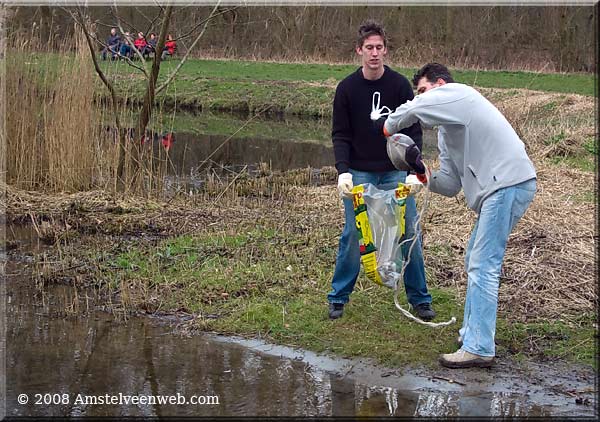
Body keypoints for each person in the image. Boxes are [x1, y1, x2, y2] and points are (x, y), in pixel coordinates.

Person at [380, 63, 537, 368]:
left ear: (441, 85)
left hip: (507, 183)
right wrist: (422, 172)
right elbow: (450, 184)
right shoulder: (447, 132)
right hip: (501, 188)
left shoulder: (461, 95)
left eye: (424, 90)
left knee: (483, 264)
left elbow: (416, 108)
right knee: (474, 260)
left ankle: (479, 346)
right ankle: (472, 334)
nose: (422, 97)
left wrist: (389, 126)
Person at [328, 20, 436, 322]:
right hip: (359, 174)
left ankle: (420, 299)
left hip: (395, 172)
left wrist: (415, 171)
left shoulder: (399, 85)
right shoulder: (347, 89)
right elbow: (341, 135)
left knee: (408, 231)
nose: (374, 53)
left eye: (379, 48)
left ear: (385, 51)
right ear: (359, 51)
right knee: (353, 235)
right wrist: (343, 172)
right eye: (369, 48)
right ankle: (338, 297)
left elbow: (414, 129)